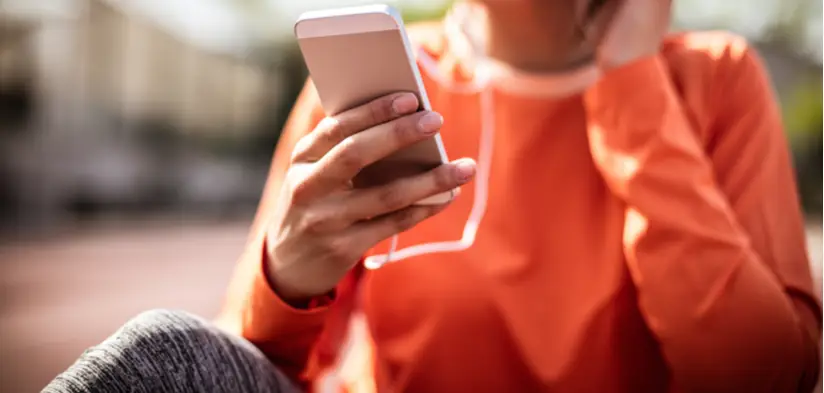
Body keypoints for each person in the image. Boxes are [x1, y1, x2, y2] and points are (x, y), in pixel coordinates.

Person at [46, 0, 821, 392]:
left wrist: (631, 87)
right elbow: (254, 367)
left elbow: (760, 375)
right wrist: (286, 278)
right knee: (161, 353)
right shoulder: (379, 83)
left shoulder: (712, 80)